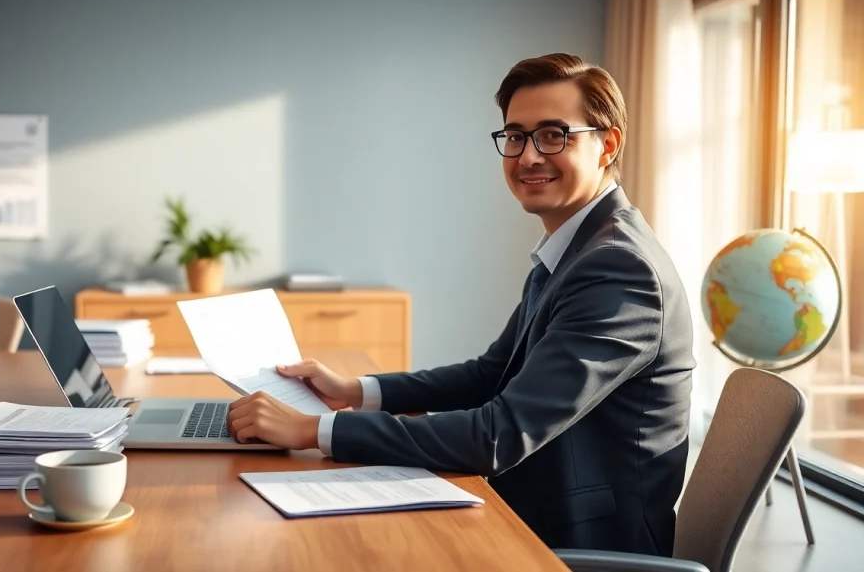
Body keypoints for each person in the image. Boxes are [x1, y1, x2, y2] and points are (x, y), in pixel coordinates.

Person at [226, 52, 695, 557]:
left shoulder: (618, 269)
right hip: (528, 505)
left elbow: (499, 434)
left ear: (608, 145)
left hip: (576, 542)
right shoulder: (579, 249)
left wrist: (312, 429)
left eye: (553, 134)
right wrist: (355, 391)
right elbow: (490, 374)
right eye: (515, 136)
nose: (529, 156)